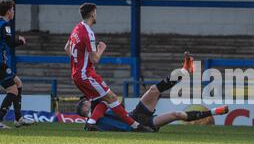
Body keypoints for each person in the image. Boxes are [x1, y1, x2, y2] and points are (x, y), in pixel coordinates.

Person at [75, 56, 228, 132]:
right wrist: (91, 121)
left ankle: (184, 71)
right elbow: (100, 107)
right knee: (176, 114)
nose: (89, 101)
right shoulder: (93, 119)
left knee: (154, 90)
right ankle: (215, 111)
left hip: (136, 115)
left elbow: (101, 106)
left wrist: (92, 121)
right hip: (142, 126)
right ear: (84, 108)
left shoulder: (95, 117)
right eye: (86, 102)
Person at [65, 3, 152, 132]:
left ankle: (91, 122)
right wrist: (101, 49)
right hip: (86, 75)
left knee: (106, 99)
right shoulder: (88, 33)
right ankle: (136, 126)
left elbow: (67, 49)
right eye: (96, 13)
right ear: (92, 13)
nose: (96, 16)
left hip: (76, 75)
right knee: (111, 98)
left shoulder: (76, 28)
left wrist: (79, 60)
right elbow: (95, 59)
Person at [0, 0, 35, 129]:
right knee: (13, 90)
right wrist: (21, 40)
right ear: (9, 12)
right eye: (12, 9)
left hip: (1, 64)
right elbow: (10, 43)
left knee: (19, 83)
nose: (13, 12)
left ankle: (18, 118)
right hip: (0, 64)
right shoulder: (4, 24)